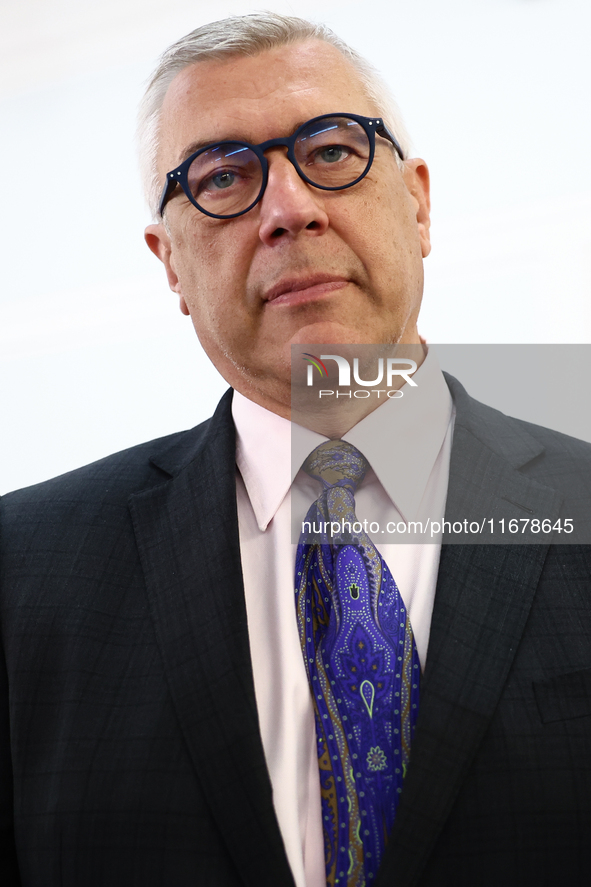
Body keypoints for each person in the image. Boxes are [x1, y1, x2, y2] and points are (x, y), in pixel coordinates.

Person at [1, 12, 590, 887]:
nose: (288, 209)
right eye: (223, 176)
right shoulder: (25, 566)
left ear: (418, 203)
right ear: (170, 265)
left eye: (330, 152)